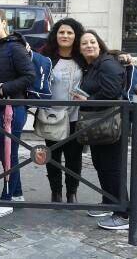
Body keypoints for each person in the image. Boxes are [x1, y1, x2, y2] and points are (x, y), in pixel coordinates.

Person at [0, 9, 35, 218]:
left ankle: (7, 198)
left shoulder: (15, 48)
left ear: (4, 23)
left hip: (11, 108)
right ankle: (17, 193)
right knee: (5, 155)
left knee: (8, 154)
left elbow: (29, 75)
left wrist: (6, 87)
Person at [73, 30, 128, 230]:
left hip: (111, 123)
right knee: (101, 164)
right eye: (84, 43)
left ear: (99, 44)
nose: (89, 45)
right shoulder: (92, 66)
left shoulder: (107, 64)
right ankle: (109, 202)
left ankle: (123, 214)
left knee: (112, 167)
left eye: (92, 42)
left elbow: (112, 93)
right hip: (98, 123)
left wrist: (87, 100)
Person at [39, 18, 85, 203]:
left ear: (76, 36)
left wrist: (122, 56)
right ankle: (56, 192)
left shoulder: (82, 56)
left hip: (76, 116)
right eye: (61, 32)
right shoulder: (46, 55)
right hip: (52, 116)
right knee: (52, 156)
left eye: (69, 33)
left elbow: (102, 57)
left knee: (74, 157)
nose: (65, 36)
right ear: (55, 34)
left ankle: (72, 193)